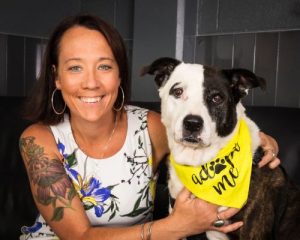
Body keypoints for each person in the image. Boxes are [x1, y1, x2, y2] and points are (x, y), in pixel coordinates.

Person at [19, 14, 280, 240]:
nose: (91, 83)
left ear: (119, 74)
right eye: (75, 67)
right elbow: (79, 236)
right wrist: (176, 227)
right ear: (57, 77)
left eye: (104, 66)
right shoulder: (38, 140)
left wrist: (264, 142)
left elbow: (216, 141)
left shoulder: (150, 128)